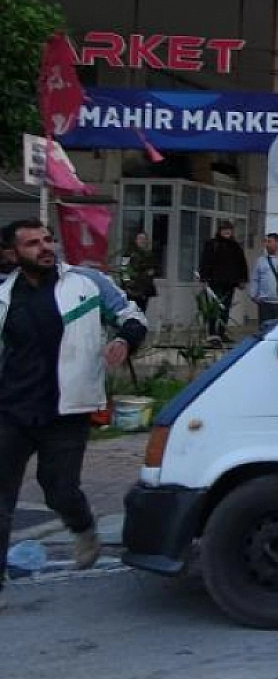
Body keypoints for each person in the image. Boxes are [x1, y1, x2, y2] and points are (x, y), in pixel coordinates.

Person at [0, 219, 147, 611]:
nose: (45, 247)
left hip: (67, 411)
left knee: (59, 488)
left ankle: (83, 528)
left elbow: (133, 316)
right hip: (12, 410)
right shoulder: (3, 296)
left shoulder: (86, 283)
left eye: (48, 239)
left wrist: (124, 340)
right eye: (33, 243)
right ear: (12, 254)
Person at [197, 221, 245, 344]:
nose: (227, 232)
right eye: (224, 230)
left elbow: (241, 264)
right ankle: (212, 334)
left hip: (229, 283)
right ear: (219, 231)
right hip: (214, 282)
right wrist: (204, 278)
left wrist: (242, 280)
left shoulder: (235, 246)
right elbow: (205, 261)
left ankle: (221, 333)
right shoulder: (212, 244)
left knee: (225, 309)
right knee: (214, 309)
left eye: (229, 230)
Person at [249, 233, 278, 326]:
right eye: (265, 241)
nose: (266, 244)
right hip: (265, 303)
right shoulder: (261, 260)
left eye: (269, 241)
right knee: (265, 328)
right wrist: (253, 295)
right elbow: (255, 278)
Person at [115, 231, 159, 313]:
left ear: (147, 241)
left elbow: (154, 269)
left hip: (144, 289)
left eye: (144, 239)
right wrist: (127, 284)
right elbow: (123, 269)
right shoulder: (128, 254)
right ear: (136, 240)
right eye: (140, 238)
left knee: (142, 311)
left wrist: (152, 272)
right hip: (131, 289)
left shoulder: (149, 255)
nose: (142, 241)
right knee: (131, 312)